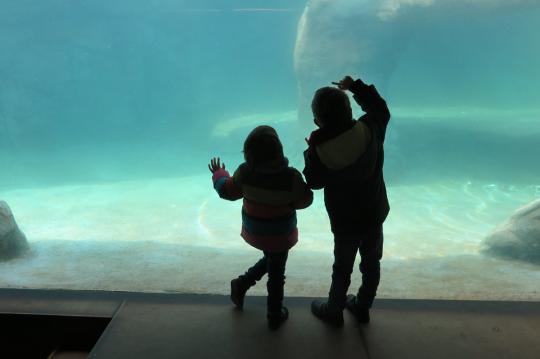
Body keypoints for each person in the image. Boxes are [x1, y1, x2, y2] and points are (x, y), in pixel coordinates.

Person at [303, 75, 391, 326]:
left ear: (317, 122)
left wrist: (312, 149)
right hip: (374, 214)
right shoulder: (371, 129)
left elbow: (313, 181)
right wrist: (355, 87)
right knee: (372, 263)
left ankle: (334, 310)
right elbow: (380, 108)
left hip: (344, 223)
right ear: (350, 110)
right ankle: (363, 306)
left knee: (342, 268)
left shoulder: (320, 152)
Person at [209, 125, 313, 329]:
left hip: (256, 230)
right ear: (280, 150)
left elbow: (227, 191)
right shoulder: (291, 177)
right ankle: (274, 313)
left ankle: (242, 283)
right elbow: (305, 200)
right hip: (280, 233)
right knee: (276, 271)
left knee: (272, 258)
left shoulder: (244, 173)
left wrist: (219, 174)